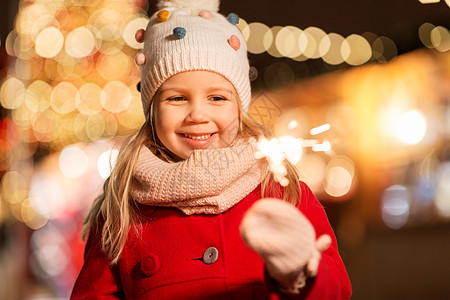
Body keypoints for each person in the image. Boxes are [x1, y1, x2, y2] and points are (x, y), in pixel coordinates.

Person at [70, 0, 352, 299]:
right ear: (152, 109)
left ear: (240, 108)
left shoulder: (282, 193)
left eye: (217, 98)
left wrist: (301, 271)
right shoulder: (122, 212)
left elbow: (336, 290)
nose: (197, 115)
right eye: (177, 98)